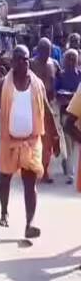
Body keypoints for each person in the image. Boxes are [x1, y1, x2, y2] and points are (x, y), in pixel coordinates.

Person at [0, 45, 46, 239]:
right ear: (12, 62)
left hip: (31, 142)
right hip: (9, 141)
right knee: (5, 177)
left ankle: (29, 224)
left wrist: (54, 137)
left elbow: (44, 109)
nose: (24, 62)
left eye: (27, 59)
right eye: (20, 59)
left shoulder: (37, 84)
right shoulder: (3, 84)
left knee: (30, 183)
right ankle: (4, 211)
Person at [31, 38, 62, 183]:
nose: (46, 53)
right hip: (33, 105)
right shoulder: (30, 63)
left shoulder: (54, 64)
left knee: (48, 140)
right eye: (43, 49)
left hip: (49, 106)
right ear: (38, 49)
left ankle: (44, 171)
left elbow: (61, 79)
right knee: (33, 139)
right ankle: (32, 168)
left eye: (48, 50)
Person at [56, 49, 81, 185]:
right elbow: (56, 93)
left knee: (74, 145)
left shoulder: (80, 75)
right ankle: (71, 173)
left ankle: (69, 165)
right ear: (65, 60)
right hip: (65, 113)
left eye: (73, 58)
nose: (71, 61)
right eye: (68, 58)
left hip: (79, 115)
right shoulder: (61, 75)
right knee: (68, 143)